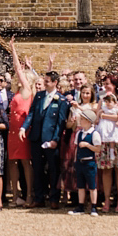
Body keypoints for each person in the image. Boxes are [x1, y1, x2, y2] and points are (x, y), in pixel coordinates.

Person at [21, 71, 68, 209]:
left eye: (47, 81)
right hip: (36, 138)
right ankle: (39, 198)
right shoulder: (39, 96)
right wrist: (24, 127)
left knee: (53, 170)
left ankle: (54, 198)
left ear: (55, 83)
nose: (45, 83)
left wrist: (55, 140)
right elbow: (31, 113)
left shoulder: (61, 100)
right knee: (37, 169)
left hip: (51, 140)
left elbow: (61, 122)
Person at [5, 38, 34, 208]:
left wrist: (13, 49)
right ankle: (16, 196)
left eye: (22, 77)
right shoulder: (17, 92)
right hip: (12, 131)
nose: (18, 77)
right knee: (12, 162)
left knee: (25, 162)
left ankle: (29, 195)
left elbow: (17, 68)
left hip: (23, 130)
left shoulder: (28, 91)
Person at [95, 92, 118, 213]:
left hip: (117, 138)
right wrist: (102, 115)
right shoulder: (102, 100)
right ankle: (107, 199)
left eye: (109, 84)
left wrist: (105, 116)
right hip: (104, 137)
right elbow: (97, 115)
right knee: (106, 169)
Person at [68, 107, 101, 216]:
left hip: (90, 162)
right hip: (80, 162)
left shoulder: (94, 134)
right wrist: (75, 160)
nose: (80, 121)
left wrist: (87, 145)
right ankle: (80, 206)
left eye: (82, 119)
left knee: (92, 186)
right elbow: (77, 147)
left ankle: (94, 207)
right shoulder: (79, 133)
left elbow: (98, 149)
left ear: (88, 121)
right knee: (80, 186)